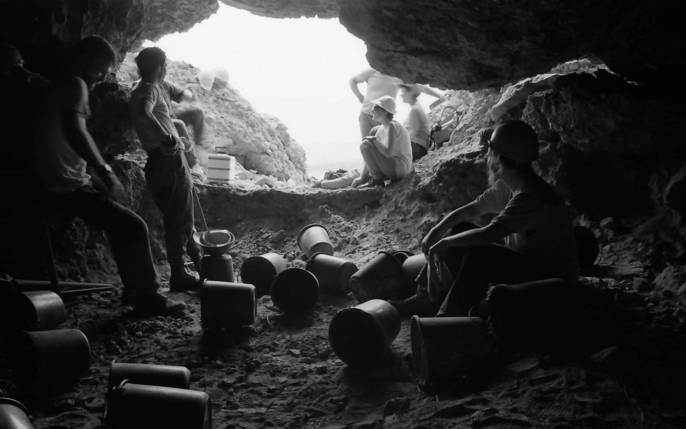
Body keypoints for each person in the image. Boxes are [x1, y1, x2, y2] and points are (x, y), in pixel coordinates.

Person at [31, 36, 184, 315]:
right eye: (101, 68)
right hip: (63, 185)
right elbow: (76, 132)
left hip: (59, 179)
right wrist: (105, 170)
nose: (102, 77)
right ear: (85, 61)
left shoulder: (61, 86)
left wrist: (91, 173)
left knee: (120, 225)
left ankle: (134, 290)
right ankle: (147, 297)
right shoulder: (76, 85)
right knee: (134, 227)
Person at [393, 120, 579, 317]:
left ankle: (447, 318)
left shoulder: (530, 196)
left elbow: (489, 234)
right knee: (459, 230)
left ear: (499, 158)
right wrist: (437, 231)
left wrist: (444, 243)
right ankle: (429, 298)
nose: (487, 155)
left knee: (481, 258)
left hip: (552, 283)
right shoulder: (510, 185)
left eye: (490, 151)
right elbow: (471, 210)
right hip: (531, 266)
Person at [129, 47, 201, 292]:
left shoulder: (159, 85)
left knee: (183, 215)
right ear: (161, 65)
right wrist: (166, 136)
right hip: (166, 160)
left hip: (166, 160)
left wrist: (198, 87)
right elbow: (142, 111)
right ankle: (179, 274)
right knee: (177, 219)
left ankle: (197, 263)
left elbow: (184, 95)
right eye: (165, 64)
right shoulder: (147, 89)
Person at [349, 68, 443, 139]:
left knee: (383, 151)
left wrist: (439, 96)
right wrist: (360, 97)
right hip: (366, 115)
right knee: (367, 148)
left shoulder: (397, 76)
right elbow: (352, 81)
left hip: (384, 118)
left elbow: (419, 86)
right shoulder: (372, 71)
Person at [351, 96, 412, 187]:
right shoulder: (381, 129)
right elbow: (371, 156)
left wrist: (374, 141)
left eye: (375, 108)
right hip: (392, 167)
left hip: (400, 168)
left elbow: (388, 152)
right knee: (365, 145)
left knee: (366, 144)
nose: (371, 111)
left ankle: (377, 180)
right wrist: (361, 177)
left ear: (384, 111)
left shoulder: (392, 126)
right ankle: (376, 180)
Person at [399, 84, 430, 160]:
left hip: (418, 147)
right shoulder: (417, 107)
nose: (401, 95)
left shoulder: (414, 110)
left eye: (403, 92)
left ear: (410, 93)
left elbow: (413, 132)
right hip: (421, 147)